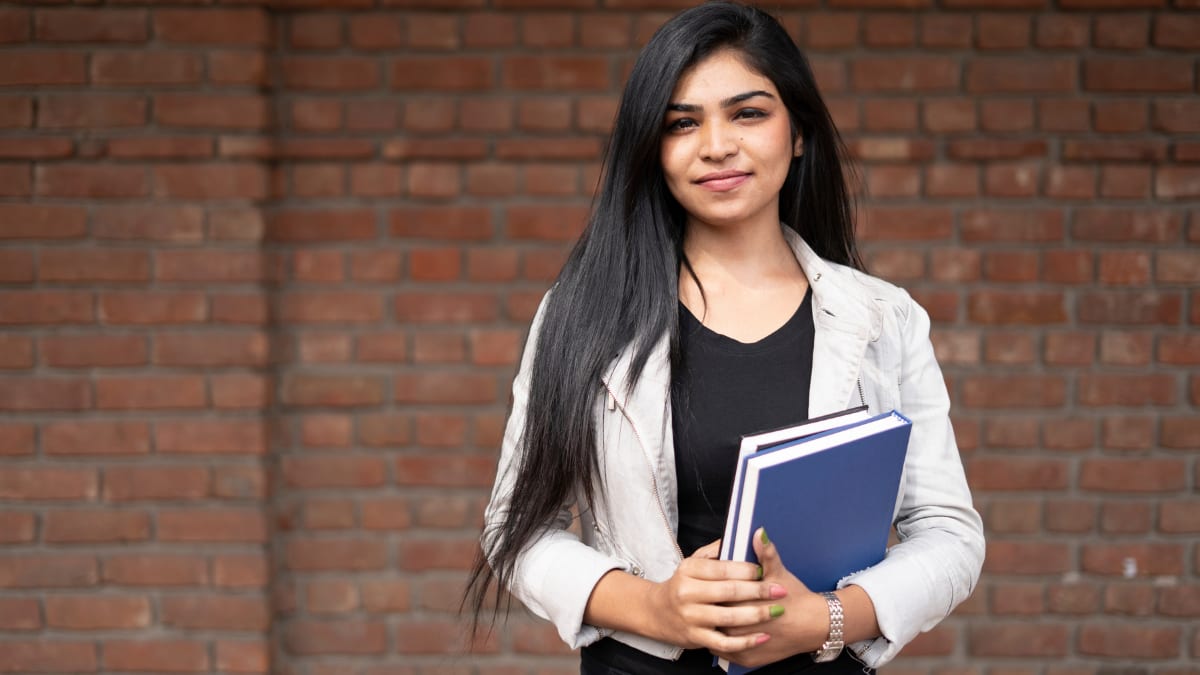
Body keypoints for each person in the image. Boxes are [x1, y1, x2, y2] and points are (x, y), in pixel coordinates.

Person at [464, 3, 985, 673]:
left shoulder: (885, 319)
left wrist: (827, 617)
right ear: (653, 148)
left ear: (798, 132)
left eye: (748, 113)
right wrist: (654, 607)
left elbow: (948, 533)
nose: (716, 145)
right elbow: (518, 530)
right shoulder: (583, 314)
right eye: (682, 122)